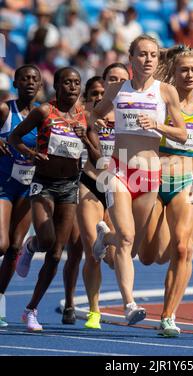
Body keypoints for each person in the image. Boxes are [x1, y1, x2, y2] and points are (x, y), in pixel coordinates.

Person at [91, 34, 187, 325]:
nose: (148, 59)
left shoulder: (166, 91)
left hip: (149, 174)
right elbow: (94, 116)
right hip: (119, 169)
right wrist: (97, 122)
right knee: (127, 238)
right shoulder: (117, 89)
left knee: (128, 243)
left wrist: (158, 125)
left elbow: (182, 134)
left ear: (158, 60)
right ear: (131, 58)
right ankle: (129, 304)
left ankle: (103, 237)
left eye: (153, 55)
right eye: (142, 54)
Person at [9, 67, 100, 331]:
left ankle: (31, 309)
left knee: (57, 253)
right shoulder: (44, 112)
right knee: (47, 241)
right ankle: (30, 245)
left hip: (70, 187)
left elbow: (97, 159)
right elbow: (15, 137)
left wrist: (85, 140)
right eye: (67, 83)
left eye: (76, 83)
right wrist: (30, 152)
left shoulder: (86, 117)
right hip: (43, 184)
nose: (72, 87)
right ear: (57, 86)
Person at [138, 46, 193, 336]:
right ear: (175, 72)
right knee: (149, 256)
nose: (190, 75)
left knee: (183, 248)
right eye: (184, 69)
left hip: (187, 182)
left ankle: (168, 317)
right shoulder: (161, 100)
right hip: (155, 182)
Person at [77, 64, 130, 330]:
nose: (115, 84)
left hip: (120, 187)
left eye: (122, 80)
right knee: (91, 253)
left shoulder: (130, 115)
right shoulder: (89, 116)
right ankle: (94, 310)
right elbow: (96, 159)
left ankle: (108, 250)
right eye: (111, 80)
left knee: (113, 253)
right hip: (91, 185)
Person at [60, 75, 105, 325]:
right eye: (94, 94)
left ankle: (92, 306)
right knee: (76, 249)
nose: (99, 98)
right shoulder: (76, 115)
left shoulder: (116, 116)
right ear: (86, 98)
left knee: (100, 251)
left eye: (103, 93)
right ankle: (70, 302)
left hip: (107, 184)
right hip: (78, 183)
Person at [0, 65, 42, 327]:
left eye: (34, 79)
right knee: (1, 244)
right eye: (24, 78)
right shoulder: (5, 110)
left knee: (15, 246)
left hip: (28, 187)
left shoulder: (44, 114)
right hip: (3, 183)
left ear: (40, 84)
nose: (29, 82)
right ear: (15, 83)